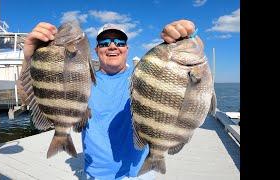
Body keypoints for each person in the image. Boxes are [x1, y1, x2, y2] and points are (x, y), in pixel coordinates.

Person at [20, 19, 203, 180]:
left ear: (127, 49)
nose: (112, 46)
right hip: (97, 173)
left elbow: (186, 87)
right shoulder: (82, 77)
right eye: (105, 42)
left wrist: (190, 39)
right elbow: (27, 97)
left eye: (120, 42)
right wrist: (29, 58)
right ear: (96, 50)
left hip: (142, 171)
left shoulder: (144, 79)